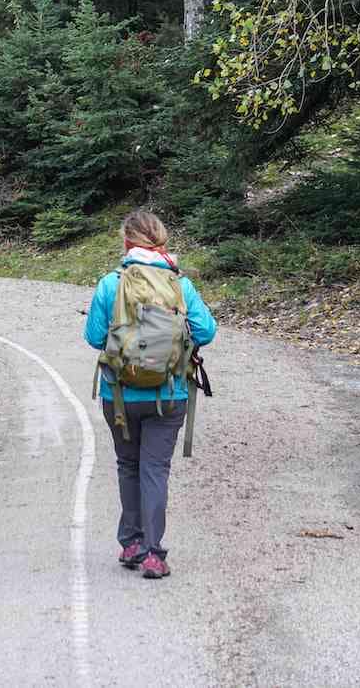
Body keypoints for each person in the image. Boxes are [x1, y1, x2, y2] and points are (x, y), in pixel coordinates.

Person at [85, 209, 216, 579]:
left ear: (126, 242)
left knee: (128, 465)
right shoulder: (180, 285)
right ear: (162, 242)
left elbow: (95, 338)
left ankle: (131, 543)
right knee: (155, 469)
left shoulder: (110, 283)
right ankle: (154, 554)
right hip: (169, 392)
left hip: (120, 396)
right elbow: (206, 332)